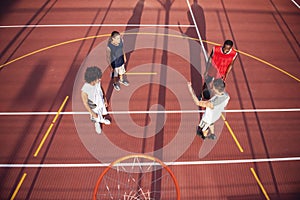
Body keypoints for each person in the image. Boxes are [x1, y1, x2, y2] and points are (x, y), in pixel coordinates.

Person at [81, 66, 111, 134]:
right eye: (98, 78)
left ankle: (102, 119)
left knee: (101, 112)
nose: (99, 79)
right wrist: (92, 113)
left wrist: (105, 98)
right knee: (96, 117)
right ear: (92, 79)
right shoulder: (85, 90)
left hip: (100, 101)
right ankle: (97, 123)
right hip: (94, 107)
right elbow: (85, 103)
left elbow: (100, 89)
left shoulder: (97, 82)